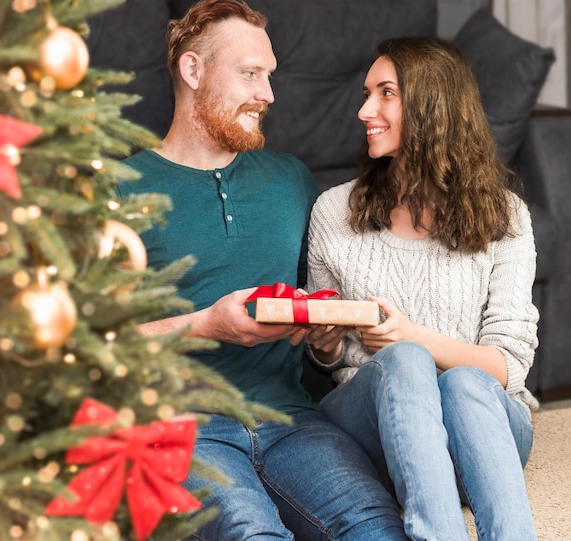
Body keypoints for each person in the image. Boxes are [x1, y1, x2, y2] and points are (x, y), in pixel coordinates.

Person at [116, 1, 409, 539]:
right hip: (179, 426)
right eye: (250, 74)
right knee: (250, 531)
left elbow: (315, 329)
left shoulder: (291, 180)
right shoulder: (119, 191)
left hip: (290, 420)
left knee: (376, 525)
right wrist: (205, 324)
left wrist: (322, 336)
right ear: (192, 70)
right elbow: (88, 352)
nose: (268, 95)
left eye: (269, 76)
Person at [305, 37, 539, 541]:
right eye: (367, 93)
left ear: (433, 106)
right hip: (376, 424)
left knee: (463, 381)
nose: (365, 109)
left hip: (483, 427)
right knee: (406, 362)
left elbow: (509, 366)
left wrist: (412, 335)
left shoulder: (506, 218)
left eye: (385, 93)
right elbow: (331, 361)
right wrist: (322, 345)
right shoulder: (333, 212)